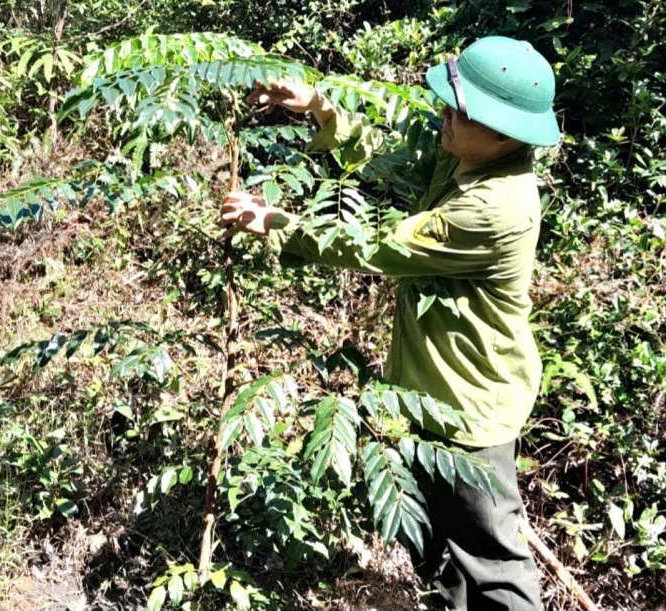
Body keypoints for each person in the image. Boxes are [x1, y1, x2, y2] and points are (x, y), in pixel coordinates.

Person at [221, 35, 560, 611]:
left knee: (495, 564)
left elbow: (377, 247)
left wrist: (275, 221)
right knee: (440, 552)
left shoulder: (493, 207)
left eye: (459, 111)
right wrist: (323, 110)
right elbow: (392, 156)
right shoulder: (470, 156)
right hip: (429, 391)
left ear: (504, 132)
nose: (443, 116)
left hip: (471, 408)